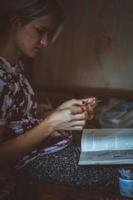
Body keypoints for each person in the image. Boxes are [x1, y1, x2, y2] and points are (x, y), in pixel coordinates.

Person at [0, 0, 98, 198]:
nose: (45, 42)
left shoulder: (16, 67)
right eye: (40, 30)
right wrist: (52, 123)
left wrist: (62, 113)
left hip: (49, 149)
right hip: (29, 163)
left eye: (49, 34)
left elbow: (20, 121)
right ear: (16, 22)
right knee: (119, 172)